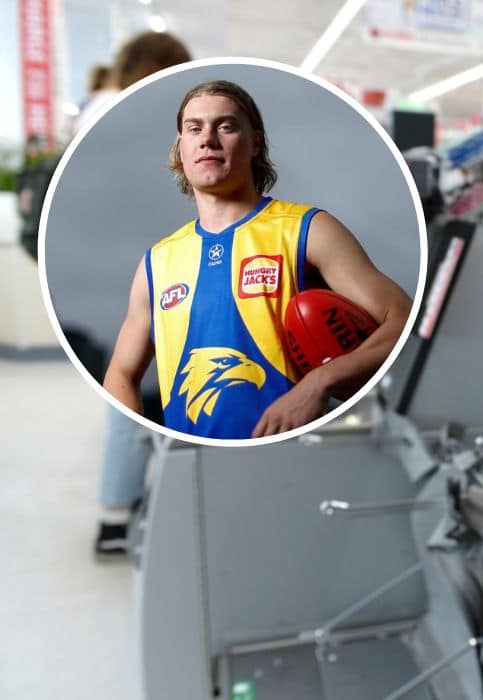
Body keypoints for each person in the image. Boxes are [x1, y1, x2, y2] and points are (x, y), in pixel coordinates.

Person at [102, 79, 412, 440]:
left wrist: (319, 381)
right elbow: (120, 374)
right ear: (181, 147)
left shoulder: (307, 230)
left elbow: (403, 321)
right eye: (194, 129)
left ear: (255, 143)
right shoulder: (156, 262)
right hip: (193, 469)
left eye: (226, 126)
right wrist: (141, 445)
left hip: (293, 457)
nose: (208, 139)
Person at [90, 32, 193, 556]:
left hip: (113, 266)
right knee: (133, 394)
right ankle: (116, 519)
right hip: (139, 268)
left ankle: (119, 511)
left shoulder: (101, 109)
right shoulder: (127, 115)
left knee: (130, 389)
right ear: (155, 66)